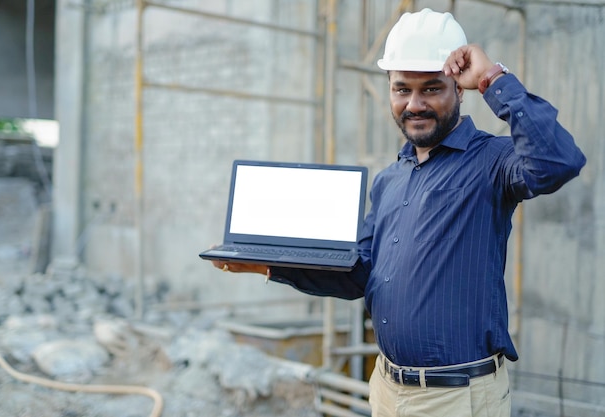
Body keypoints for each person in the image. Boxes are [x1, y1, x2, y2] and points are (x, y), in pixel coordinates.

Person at [210, 8, 586, 417]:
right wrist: (267, 265)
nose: (415, 104)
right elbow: (361, 273)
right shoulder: (390, 180)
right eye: (402, 88)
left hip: (456, 399)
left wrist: (492, 78)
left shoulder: (492, 162)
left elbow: (558, 161)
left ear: (459, 89)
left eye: (431, 89)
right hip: (387, 390)